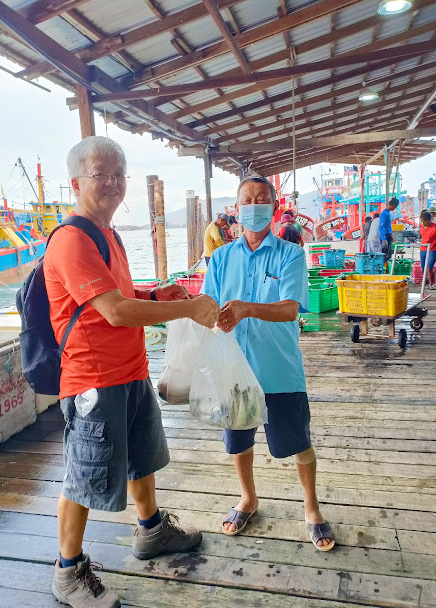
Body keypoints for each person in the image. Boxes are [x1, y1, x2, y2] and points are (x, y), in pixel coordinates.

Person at [44, 136, 220, 608]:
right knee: (83, 477)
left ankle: (152, 531)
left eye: (119, 173)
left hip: (130, 371)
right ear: (76, 181)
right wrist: (187, 308)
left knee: (142, 458)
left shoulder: (109, 235)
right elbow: (116, 312)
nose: (112, 182)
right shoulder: (71, 239)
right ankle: (67, 572)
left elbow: (125, 296)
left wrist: (161, 296)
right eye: (100, 173)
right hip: (93, 382)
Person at [202, 175, 335, 552]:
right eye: (247, 199)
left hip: (279, 370)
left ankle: (311, 507)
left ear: (274, 208)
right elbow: (208, 306)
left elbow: (290, 309)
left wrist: (245, 309)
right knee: (238, 442)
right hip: (234, 372)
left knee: (298, 443)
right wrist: (199, 313)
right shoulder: (222, 257)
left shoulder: (290, 254)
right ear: (236, 209)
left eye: (262, 198)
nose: (254, 204)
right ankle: (248, 499)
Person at [419, 211, 436, 290]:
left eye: (425, 221)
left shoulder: (435, 227)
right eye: (422, 221)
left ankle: (432, 283)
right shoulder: (421, 225)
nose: (424, 223)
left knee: (430, 267)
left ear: (430, 220)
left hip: (433, 249)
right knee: (422, 267)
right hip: (423, 248)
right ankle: (425, 280)